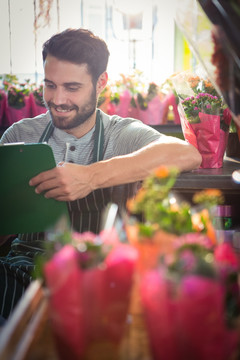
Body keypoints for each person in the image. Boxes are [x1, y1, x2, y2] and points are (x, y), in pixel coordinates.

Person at [0, 28, 202, 319]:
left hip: (98, 275)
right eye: (50, 85)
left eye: (72, 87)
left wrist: (91, 176)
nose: (57, 99)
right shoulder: (20, 134)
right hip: (24, 271)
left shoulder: (123, 134)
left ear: (101, 83)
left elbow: (186, 154)